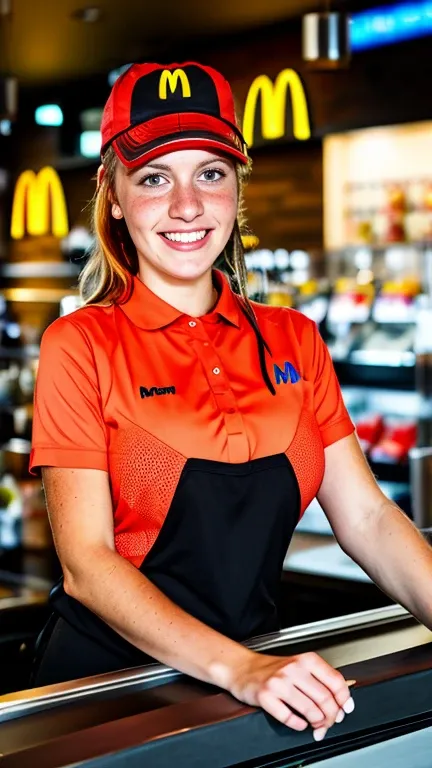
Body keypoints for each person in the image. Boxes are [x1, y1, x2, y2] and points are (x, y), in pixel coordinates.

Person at [30, 62, 432, 743]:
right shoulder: (80, 344)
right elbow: (89, 564)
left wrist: (251, 672)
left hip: (255, 690)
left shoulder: (294, 339)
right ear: (115, 196)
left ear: (237, 190)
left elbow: (366, 516)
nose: (187, 205)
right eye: (155, 177)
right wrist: (242, 669)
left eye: (211, 173)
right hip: (107, 697)